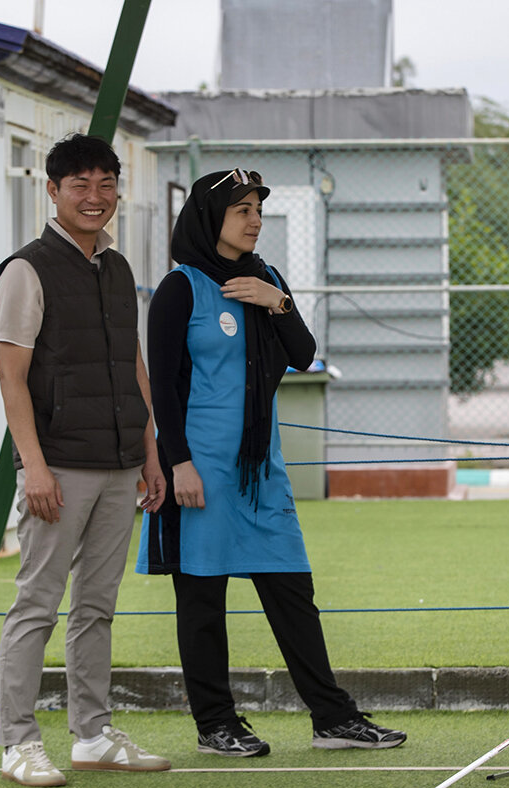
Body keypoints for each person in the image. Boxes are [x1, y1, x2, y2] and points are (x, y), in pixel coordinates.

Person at [138, 168, 406, 757]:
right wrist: (177, 462)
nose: (255, 219)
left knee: (291, 588)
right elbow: (164, 386)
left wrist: (277, 302)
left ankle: (332, 718)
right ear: (212, 219)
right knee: (202, 602)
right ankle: (216, 724)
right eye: (242, 211)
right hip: (200, 467)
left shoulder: (268, 279)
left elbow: (303, 355)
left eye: (258, 209)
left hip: (260, 469)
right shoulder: (180, 289)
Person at [0, 133, 169, 786]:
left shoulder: (118, 269)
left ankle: (92, 734)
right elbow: (12, 379)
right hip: (58, 467)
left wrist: (150, 452)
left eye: (106, 185)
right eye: (80, 185)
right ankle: (17, 742)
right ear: (53, 190)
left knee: (97, 606)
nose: (95, 198)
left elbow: (133, 365)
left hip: (122, 463)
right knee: (36, 605)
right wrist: (32, 464)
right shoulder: (26, 269)